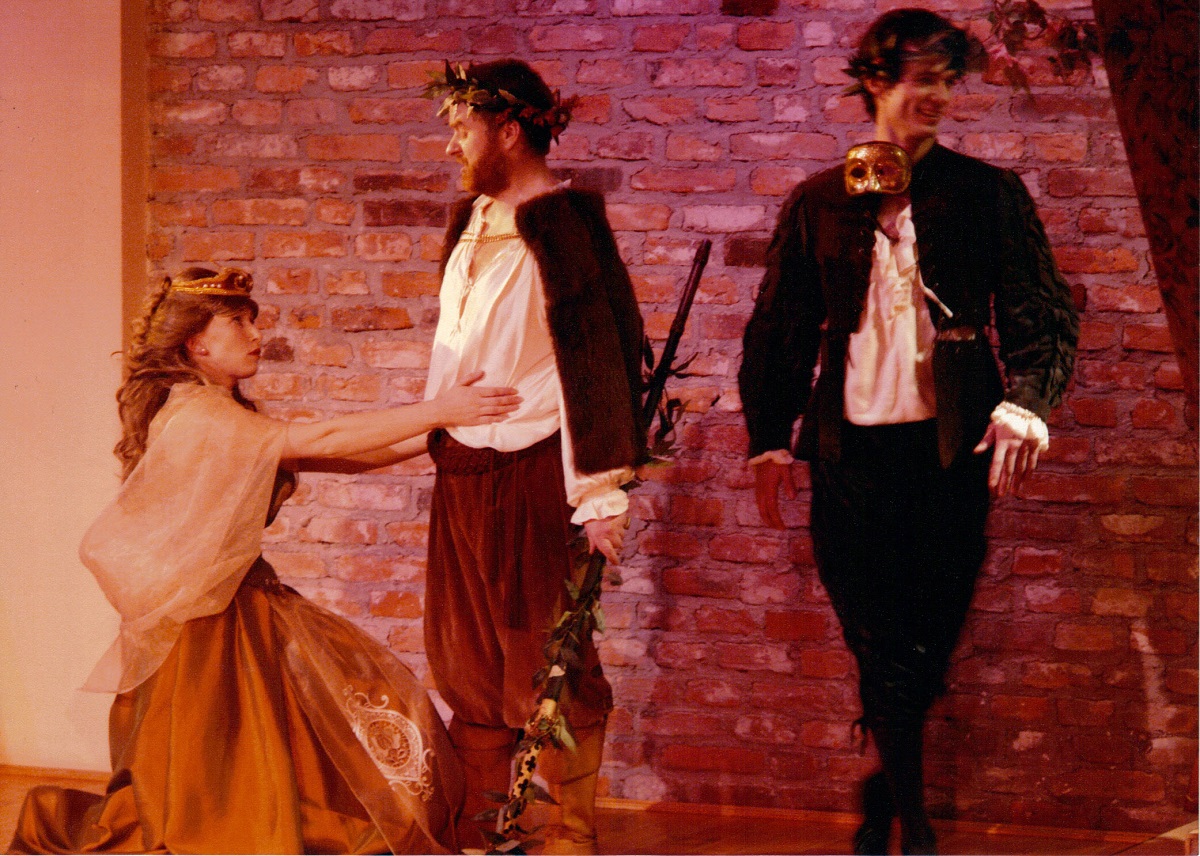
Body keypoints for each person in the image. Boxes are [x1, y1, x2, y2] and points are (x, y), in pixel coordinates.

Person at [9, 266, 523, 854]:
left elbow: (340, 457)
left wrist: (442, 432)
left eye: (253, 321)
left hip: (238, 602)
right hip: (210, 622)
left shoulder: (216, 410)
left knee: (322, 719)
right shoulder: (200, 414)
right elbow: (322, 439)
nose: (257, 335)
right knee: (238, 768)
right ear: (197, 344)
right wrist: (439, 410)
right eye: (238, 322)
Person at [738, 10, 1079, 855]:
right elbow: (780, 327)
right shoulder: (821, 202)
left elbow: (1040, 310)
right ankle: (914, 826)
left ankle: (886, 786)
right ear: (876, 81)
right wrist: (769, 438)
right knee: (873, 632)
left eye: (947, 82)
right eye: (922, 79)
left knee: (930, 630)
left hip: (945, 450)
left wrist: (1027, 402)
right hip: (850, 453)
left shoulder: (986, 195)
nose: (938, 96)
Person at [421, 59, 645, 853]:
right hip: (463, 469)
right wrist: (433, 428)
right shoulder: (469, 221)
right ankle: (486, 824)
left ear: (510, 130)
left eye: (463, 127)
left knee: (547, 654)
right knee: (467, 655)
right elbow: (453, 346)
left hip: (533, 465)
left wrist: (600, 495)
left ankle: (570, 830)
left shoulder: (563, 224)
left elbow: (599, 359)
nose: (452, 143)